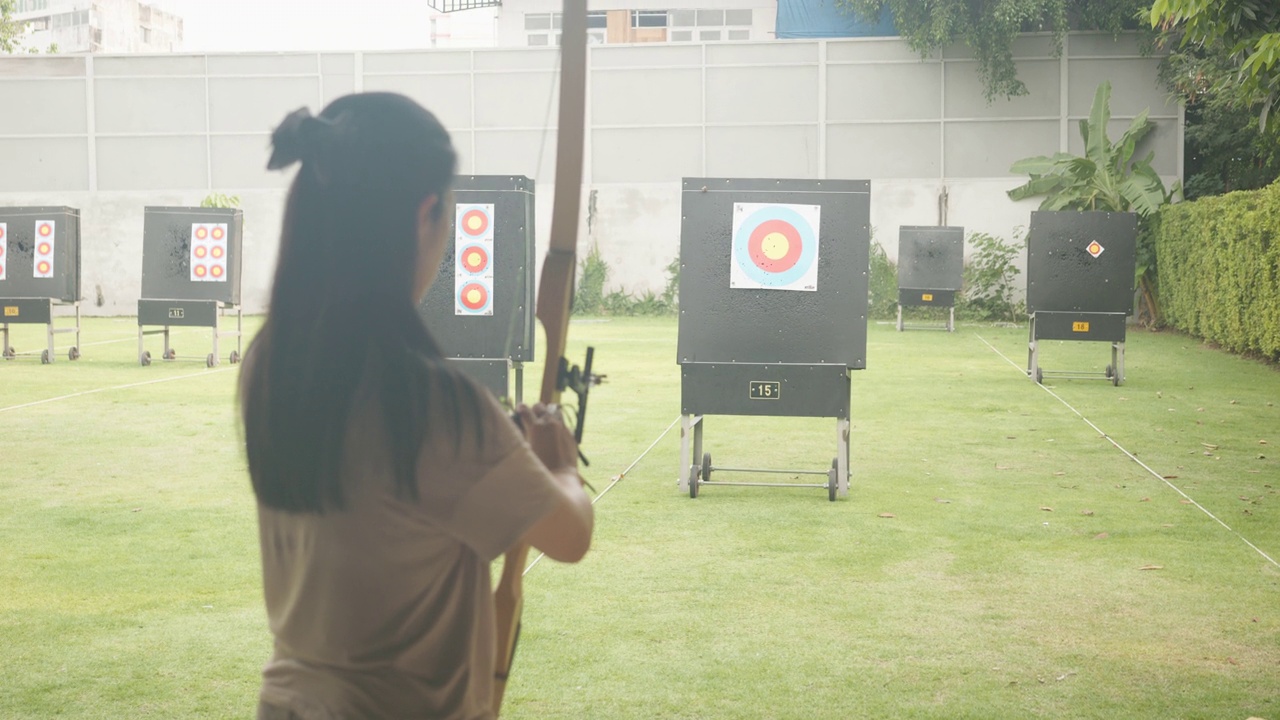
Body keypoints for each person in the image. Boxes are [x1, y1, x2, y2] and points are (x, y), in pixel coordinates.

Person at [239, 92, 594, 720]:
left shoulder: (273, 364)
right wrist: (558, 463)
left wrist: (499, 449)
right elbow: (569, 535)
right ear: (425, 213)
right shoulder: (430, 405)